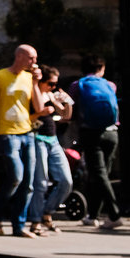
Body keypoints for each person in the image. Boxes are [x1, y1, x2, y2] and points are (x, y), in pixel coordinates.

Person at [0, 43, 39, 238]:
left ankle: (18, 226)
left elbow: (38, 107)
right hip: (8, 133)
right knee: (16, 177)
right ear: (20, 56)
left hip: (28, 133)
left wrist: (37, 83)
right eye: (31, 58)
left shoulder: (29, 78)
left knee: (28, 183)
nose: (34, 62)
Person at [72, 57, 124, 228]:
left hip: (90, 133)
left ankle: (114, 215)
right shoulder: (110, 85)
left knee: (99, 175)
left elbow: (71, 108)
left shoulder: (77, 85)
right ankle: (93, 215)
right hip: (111, 133)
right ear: (101, 68)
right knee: (102, 175)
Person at [26, 64, 74, 237]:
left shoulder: (49, 94)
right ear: (42, 82)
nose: (53, 87)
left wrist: (68, 102)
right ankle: (36, 220)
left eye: (55, 84)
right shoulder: (33, 93)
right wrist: (42, 112)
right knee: (40, 182)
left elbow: (65, 116)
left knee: (66, 180)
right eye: (50, 83)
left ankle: (47, 211)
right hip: (37, 138)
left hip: (52, 140)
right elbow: (32, 114)